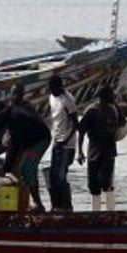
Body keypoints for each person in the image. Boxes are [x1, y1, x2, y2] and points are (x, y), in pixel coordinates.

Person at [0, 84, 51, 212]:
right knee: (20, 170)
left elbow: (16, 145)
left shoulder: (14, 117)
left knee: (27, 169)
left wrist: (7, 168)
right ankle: (26, 203)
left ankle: (39, 205)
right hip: (30, 140)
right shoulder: (14, 109)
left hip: (40, 141)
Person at [77, 84, 127, 212]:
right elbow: (81, 131)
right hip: (93, 151)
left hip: (109, 151)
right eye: (111, 96)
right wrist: (80, 152)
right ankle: (96, 212)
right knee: (93, 184)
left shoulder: (115, 109)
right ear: (104, 97)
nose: (114, 98)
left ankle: (110, 212)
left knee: (106, 181)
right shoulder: (92, 111)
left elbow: (124, 127)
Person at [47, 74, 79, 211]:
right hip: (56, 141)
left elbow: (75, 123)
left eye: (54, 88)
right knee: (53, 175)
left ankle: (66, 206)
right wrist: (55, 140)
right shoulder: (51, 97)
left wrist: (65, 140)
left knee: (60, 176)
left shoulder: (68, 100)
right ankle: (57, 205)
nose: (52, 91)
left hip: (67, 144)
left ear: (60, 86)